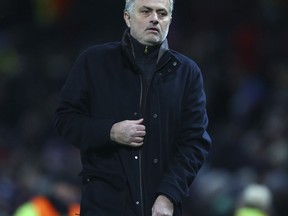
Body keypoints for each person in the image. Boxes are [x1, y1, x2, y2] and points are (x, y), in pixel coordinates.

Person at [54, 0, 212, 215]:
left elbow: (195, 142)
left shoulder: (187, 73)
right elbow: (65, 120)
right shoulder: (93, 62)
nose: (155, 18)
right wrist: (110, 131)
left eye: (162, 13)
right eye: (146, 11)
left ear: (170, 21)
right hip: (105, 206)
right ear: (127, 18)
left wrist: (168, 195)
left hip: (160, 207)